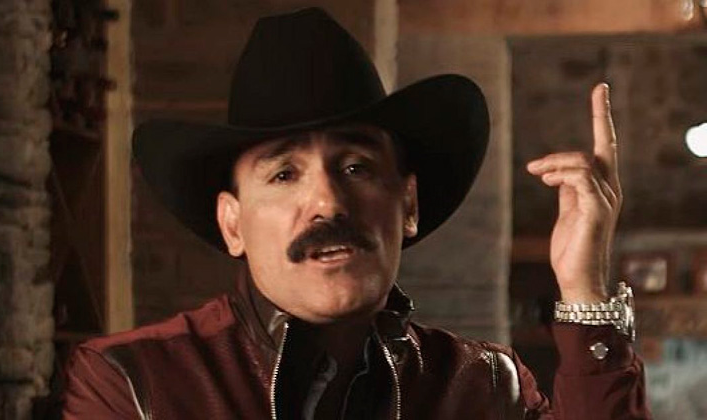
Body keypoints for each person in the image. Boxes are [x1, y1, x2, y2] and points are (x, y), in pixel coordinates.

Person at [63, 8, 651, 419]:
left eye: (355, 168)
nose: (327, 202)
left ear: (408, 206)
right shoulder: (131, 383)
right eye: (284, 174)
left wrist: (585, 290)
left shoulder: (488, 386)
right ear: (233, 223)